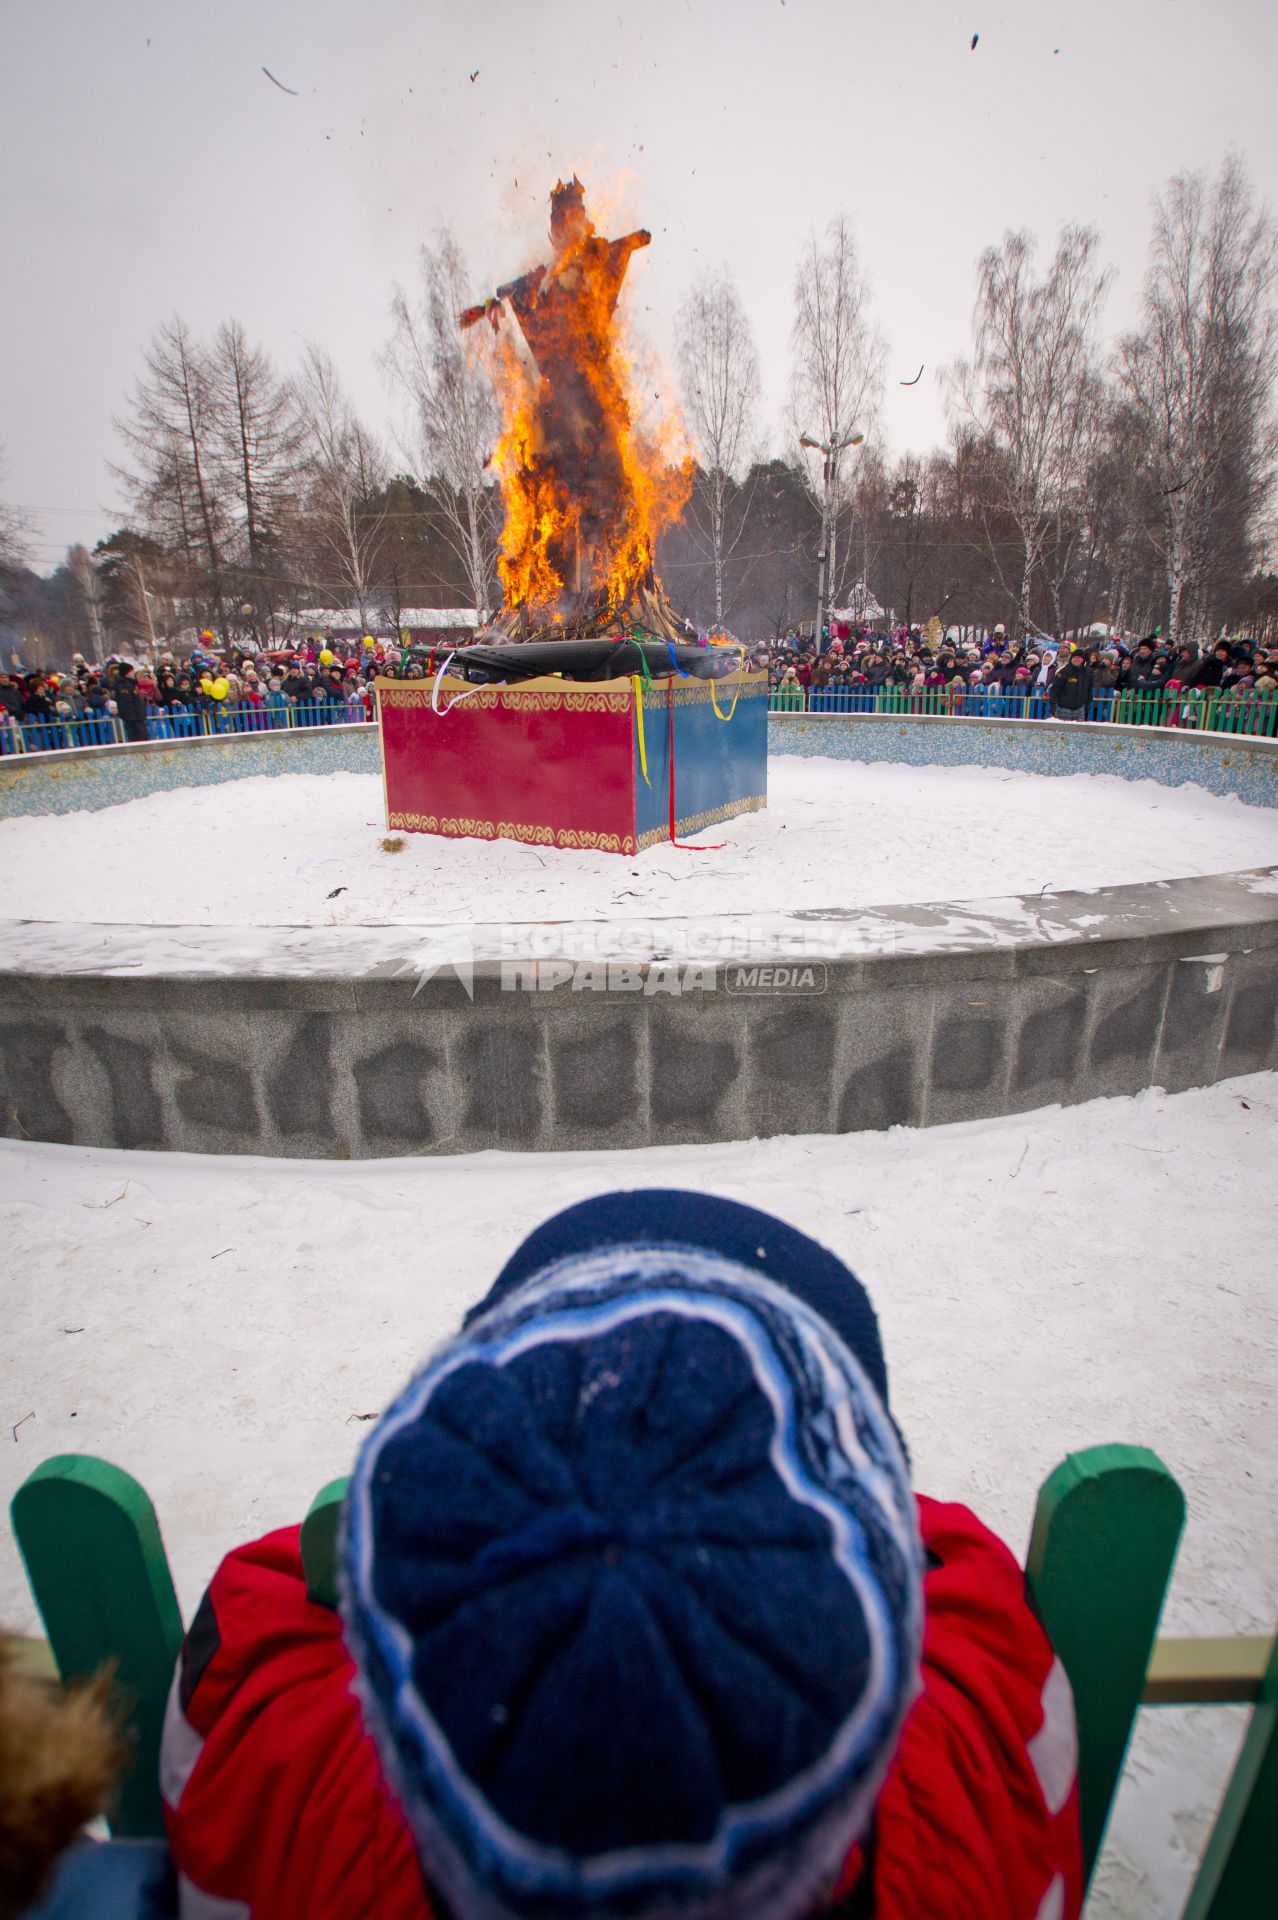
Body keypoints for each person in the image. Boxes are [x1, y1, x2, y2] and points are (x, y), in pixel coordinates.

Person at [161, 1193, 1083, 1920]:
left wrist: (515, 1495)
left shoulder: (286, 1787)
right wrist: (739, 1493)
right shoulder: (972, 1799)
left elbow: (270, 1604)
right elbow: (958, 1578)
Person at [1049, 647, 1093, 722]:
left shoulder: (1087, 673)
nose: (1076, 659)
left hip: (1079, 710)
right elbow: (1054, 689)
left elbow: (1089, 689)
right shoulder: (1063, 672)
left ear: (1082, 659)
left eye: (1079, 657)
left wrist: (1088, 702)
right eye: (1075, 657)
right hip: (1064, 710)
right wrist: (1052, 704)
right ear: (1071, 658)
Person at [113, 662, 151, 744]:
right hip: (134, 722)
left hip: (139, 720)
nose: (133, 673)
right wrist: (133, 720)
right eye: (131, 671)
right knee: (138, 743)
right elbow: (126, 705)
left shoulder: (131, 685)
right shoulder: (124, 687)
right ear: (127, 673)